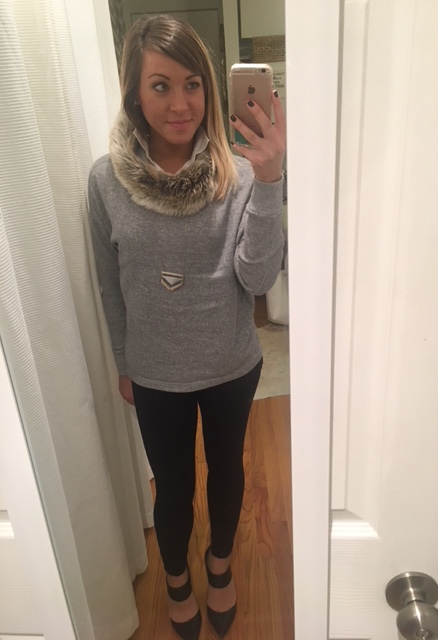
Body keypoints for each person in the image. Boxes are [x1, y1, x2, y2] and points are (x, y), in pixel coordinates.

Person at [88, 13, 285, 640]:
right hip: (154, 373)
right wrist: (124, 363)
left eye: (193, 84)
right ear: (134, 93)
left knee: (227, 475)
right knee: (171, 487)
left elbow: (258, 278)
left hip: (230, 363)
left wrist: (271, 181)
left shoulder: (240, 172)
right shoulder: (106, 181)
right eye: (160, 85)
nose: (180, 104)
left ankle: (218, 566)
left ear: (210, 88)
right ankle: (177, 579)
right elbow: (109, 283)